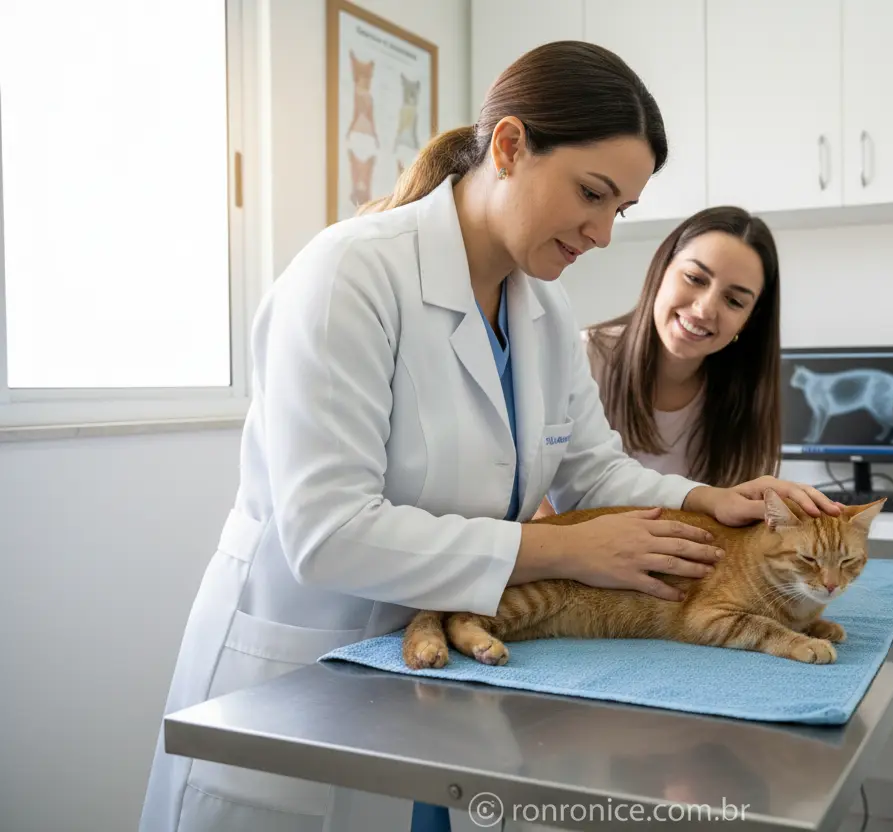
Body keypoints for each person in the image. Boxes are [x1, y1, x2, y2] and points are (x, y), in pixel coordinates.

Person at [138, 40, 840, 832]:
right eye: (593, 193)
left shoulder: (541, 311)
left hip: (430, 677)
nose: (604, 233)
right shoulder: (349, 275)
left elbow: (593, 472)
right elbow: (328, 533)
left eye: (621, 210)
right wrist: (565, 550)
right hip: (301, 674)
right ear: (509, 146)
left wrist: (711, 498)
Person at [535, 205, 782, 518]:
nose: (705, 309)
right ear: (661, 270)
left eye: (734, 301)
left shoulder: (745, 399)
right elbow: (531, 493)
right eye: (695, 278)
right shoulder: (583, 359)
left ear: (748, 322)